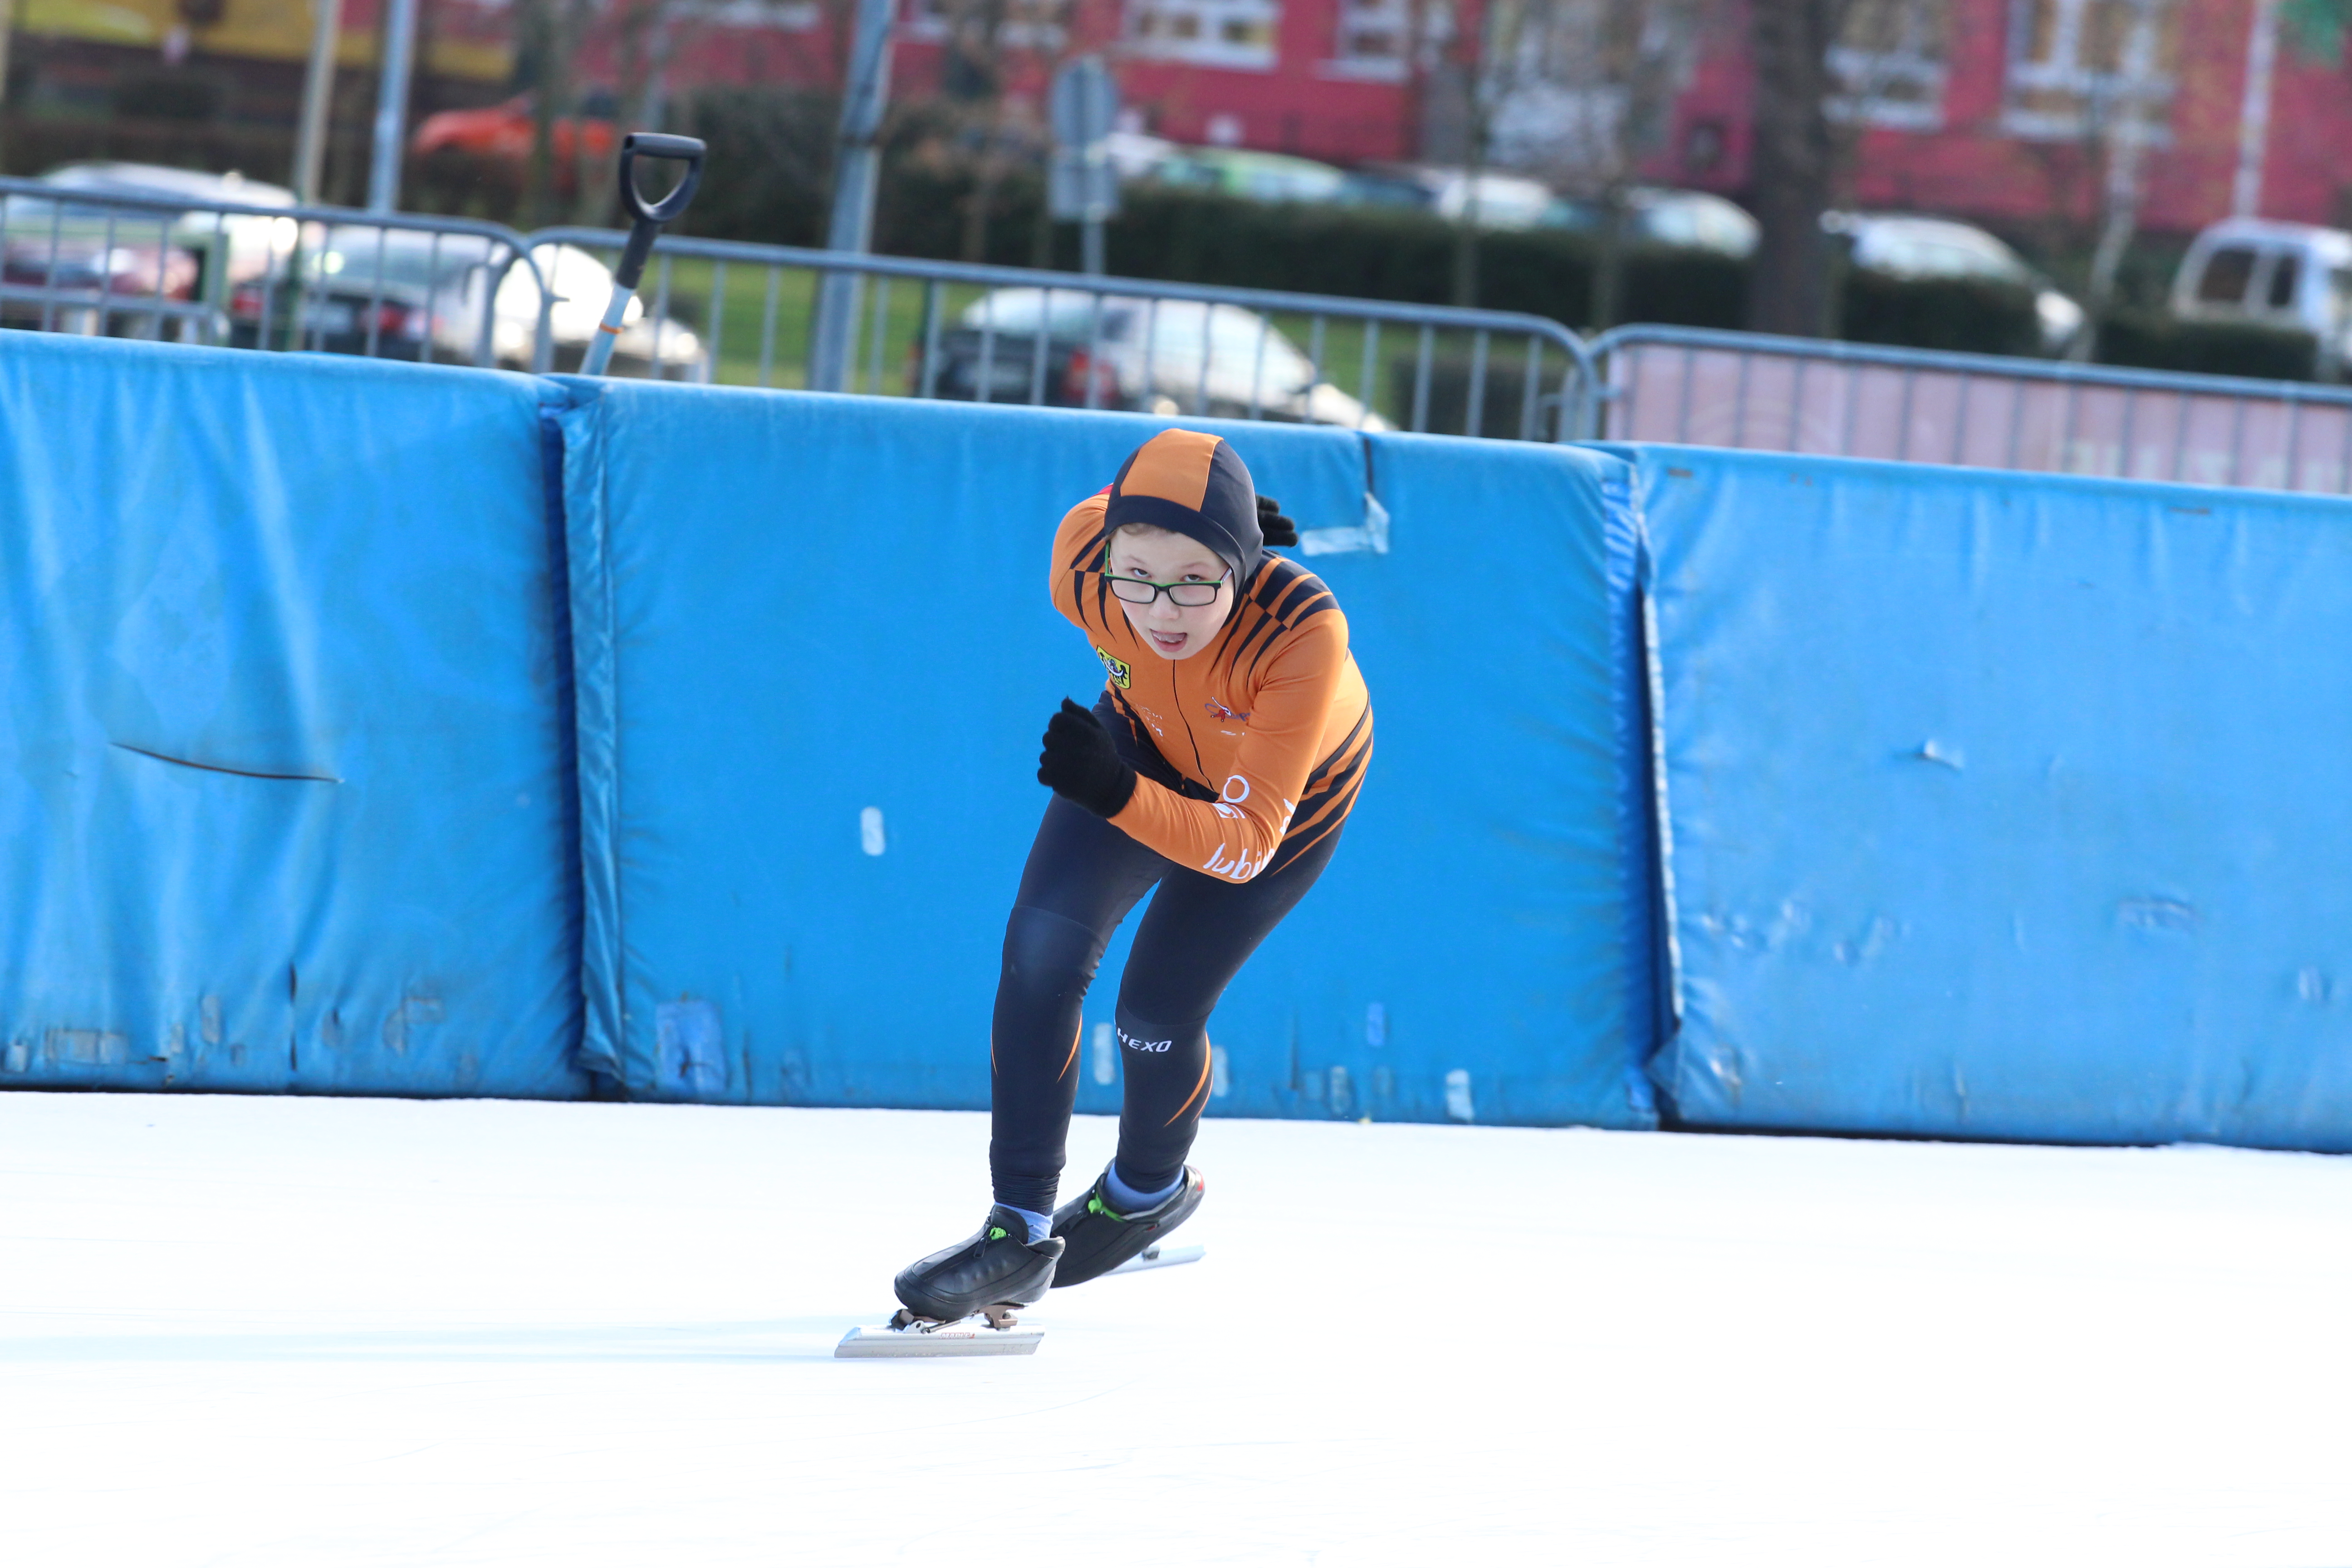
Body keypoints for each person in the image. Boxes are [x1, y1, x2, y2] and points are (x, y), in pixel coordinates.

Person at [893, 427, 1374, 1322]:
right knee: (1040, 954)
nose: (1163, 610)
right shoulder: (1080, 560)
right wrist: (1194, 539)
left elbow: (1242, 843)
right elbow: (1117, 514)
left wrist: (1114, 792)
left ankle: (1149, 1190)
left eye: (1198, 581)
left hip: (1280, 802)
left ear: (1243, 567)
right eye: (1140, 577)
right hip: (1146, 742)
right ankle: (1016, 1231)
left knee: (1153, 1012)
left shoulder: (1303, 632)